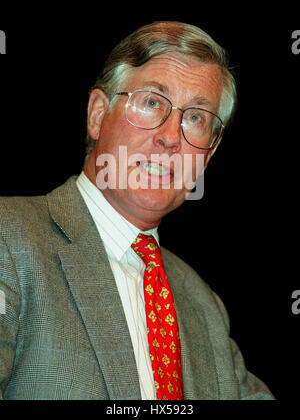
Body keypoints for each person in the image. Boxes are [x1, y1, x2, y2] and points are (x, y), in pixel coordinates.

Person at [0, 21, 274, 400]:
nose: (170, 137)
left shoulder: (203, 303)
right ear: (98, 114)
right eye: (151, 102)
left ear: (207, 155)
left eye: (195, 117)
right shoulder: (9, 239)